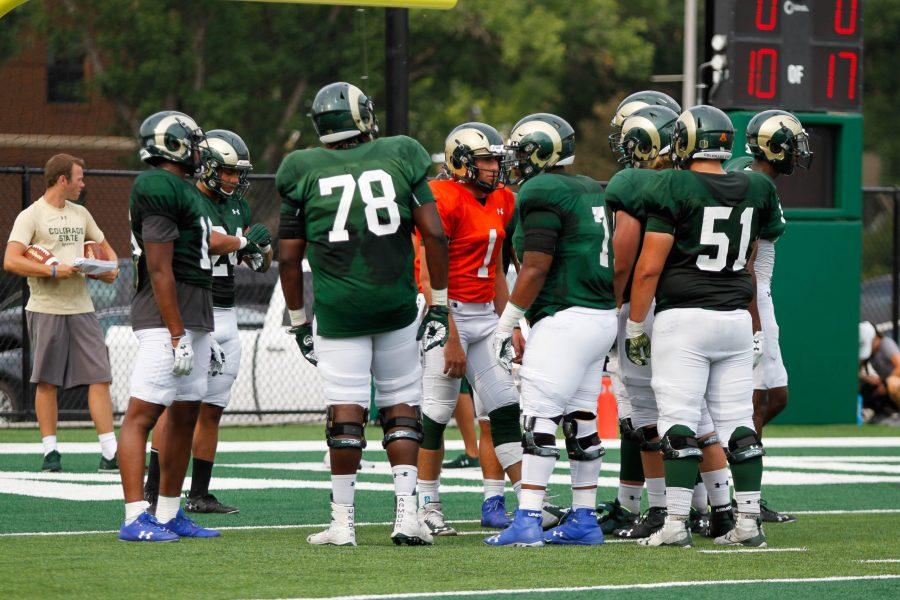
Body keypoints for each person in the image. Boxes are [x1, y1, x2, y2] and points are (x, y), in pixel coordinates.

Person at [277, 82, 449, 547]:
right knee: (401, 405)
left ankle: (343, 524)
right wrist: (440, 302)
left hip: (339, 308)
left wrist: (297, 319)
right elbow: (434, 235)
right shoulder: (400, 153)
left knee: (346, 411)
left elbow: (289, 258)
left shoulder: (301, 168)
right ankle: (406, 515)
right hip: (394, 303)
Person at [626, 105, 785, 548]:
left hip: (685, 318)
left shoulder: (673, 184)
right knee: (737, 422)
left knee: (678, 419)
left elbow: (648, 268)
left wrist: (637, 324)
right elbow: (753, 258)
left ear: (686, 140)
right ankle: (748, 521)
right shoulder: (756, 185)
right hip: (734, 317)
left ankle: (675, 522)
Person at [117, 111, 267, 542]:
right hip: (168, 316)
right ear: (176, 145)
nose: (201, 151)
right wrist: (178, 332)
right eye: (195, 143)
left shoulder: (183, 191)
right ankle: (134, 517)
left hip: (197, 312)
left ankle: (169, 512)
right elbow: (161, 268)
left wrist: (195, 328)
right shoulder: (157, 185)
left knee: (186, 413)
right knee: (143, 414)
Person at [485, 113, 616, 547]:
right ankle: (583, 517)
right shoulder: (588, 186)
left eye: (522, 152)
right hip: (599, 316)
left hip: (565, 317)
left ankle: (527, 517)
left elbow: (537, 265)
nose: (516, 162)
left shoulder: (541, 190)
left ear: (540, 153)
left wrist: (506, 323)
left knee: (538, 415)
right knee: (581, 417)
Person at [416, 122, 522, 536]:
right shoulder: (441, 197)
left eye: (496, 159)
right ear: (461, 162)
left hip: (485, 315)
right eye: (486, 160)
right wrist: (450, 334)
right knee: (438, 411)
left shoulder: (501, 199)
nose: (495, 167)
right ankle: (427, 504)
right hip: (449, 312)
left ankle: (527, 499)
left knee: (505, 405)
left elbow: (496, 268)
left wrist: (508, 323)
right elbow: (428, 273)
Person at [599, 90, 682, 536]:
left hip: (644, 304)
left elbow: (626, 261)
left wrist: (608, 309)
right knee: (695, 412)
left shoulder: (632, 184)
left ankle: (659, 507)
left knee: (643, 410)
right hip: (695, 303)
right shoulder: (697, 181)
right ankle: (715, 505)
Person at [4, 153, 119, 473]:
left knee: (100, 376)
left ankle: (110, 452)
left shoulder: (81, 214)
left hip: (82, 308)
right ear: (62, 180)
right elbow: (11, 261)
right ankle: (50, 452)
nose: (83, 184)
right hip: (46, 308)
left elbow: (107, 251)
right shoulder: (31, 216)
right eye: (79, 178)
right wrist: (52, 271)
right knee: (46, 381)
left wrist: (106, 270)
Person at [725, 109, 812, 521]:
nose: (799, 153)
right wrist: (754, 322)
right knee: (755, 402)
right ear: (774, 148)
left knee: (775, 397)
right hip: (750, 294)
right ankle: (741, 496)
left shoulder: (745, 169)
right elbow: (747, 262)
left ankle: (727, 483)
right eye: (792, 145)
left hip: (759, 293)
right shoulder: (755, 184)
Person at [859, 322, 900, 421]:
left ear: (876, 336)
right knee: (866, 388)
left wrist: (885, 384)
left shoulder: (886, 344)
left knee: (892, 383)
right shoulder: (869, 351)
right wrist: (867, 378)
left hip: (894, 383)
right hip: (885, 383)